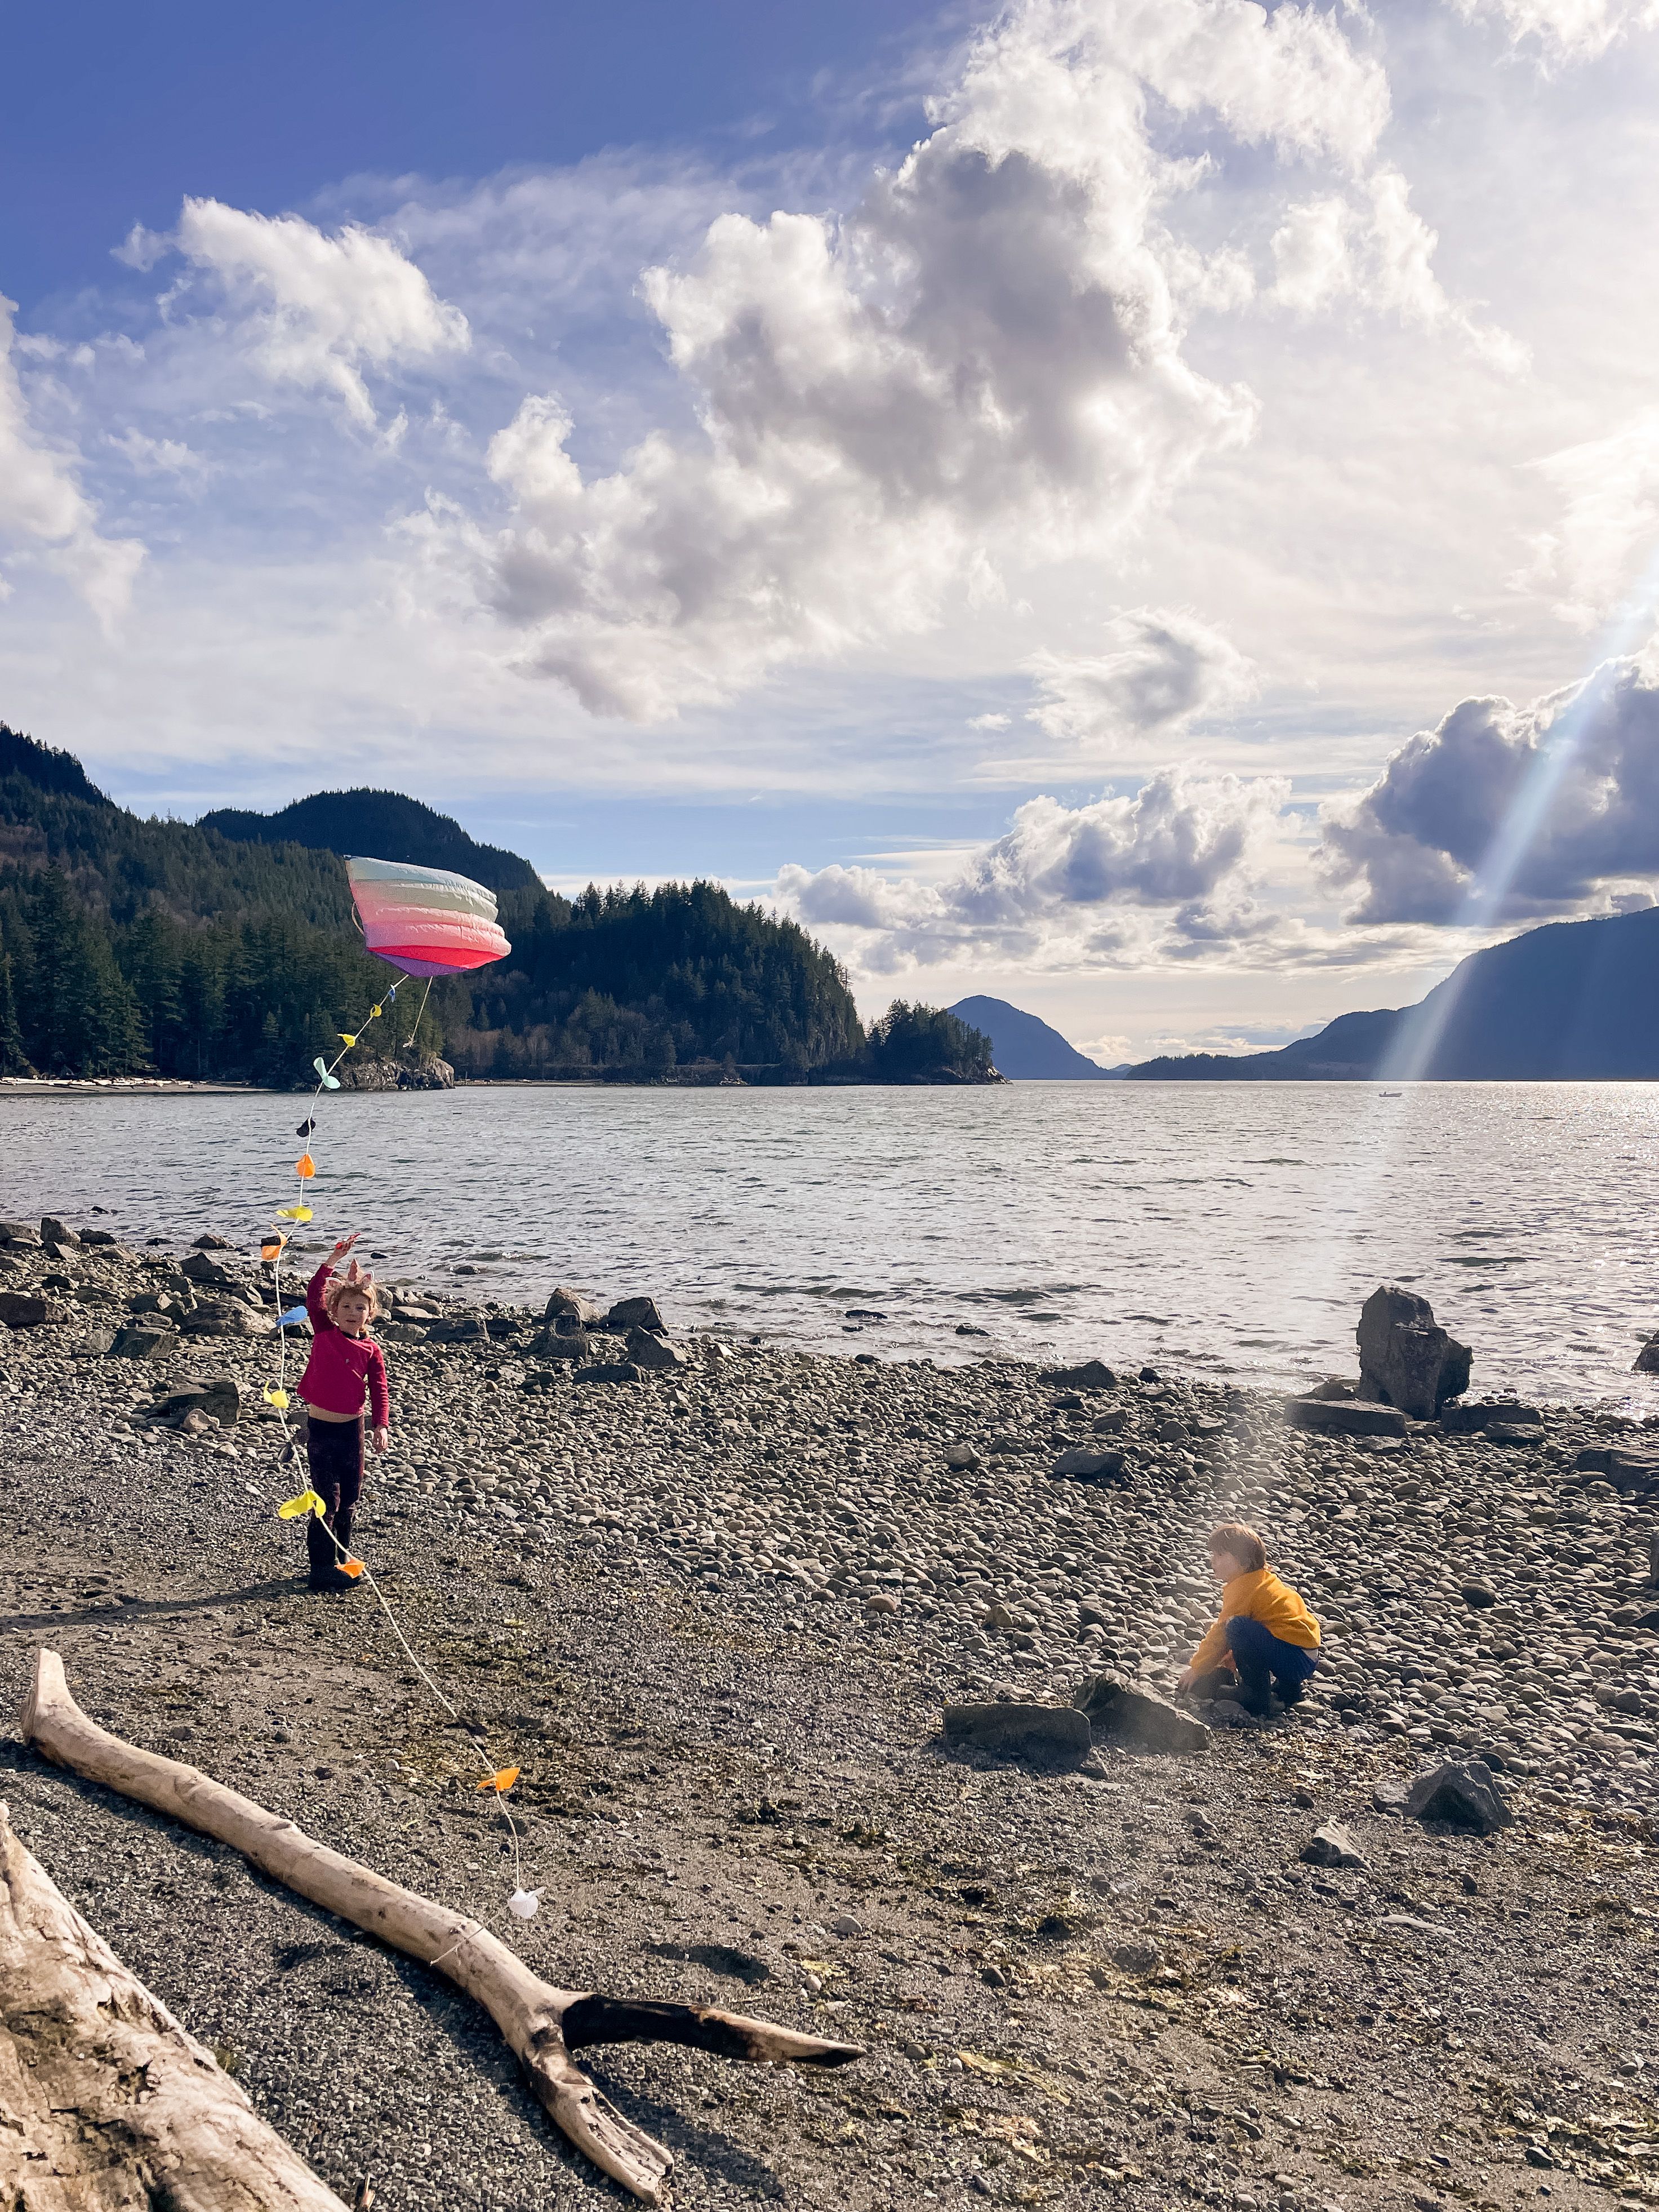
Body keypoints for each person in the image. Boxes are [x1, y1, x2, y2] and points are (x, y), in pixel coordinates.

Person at [297, 1231, 389, 1593]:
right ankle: (320, 1566)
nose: (353, 1314)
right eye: (346, 1308)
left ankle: (342, 1558)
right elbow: (313, 1294)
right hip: (320, 1427)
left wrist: (380, 1425)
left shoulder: (371, 1349)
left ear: (370, 1314)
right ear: (335, 1312)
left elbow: (379, 1391)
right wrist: (332, 1262)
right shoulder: (324, 1332)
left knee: (350, 1495)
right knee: (325, 1498)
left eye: (360, 1308)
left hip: (354, 1430)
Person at [1176, 1521, 1320, 1717]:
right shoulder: (1264, 1580)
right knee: (1253, 1627)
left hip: (1292, 1658)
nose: (1212, 1561)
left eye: (1219, 1555)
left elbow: (1221, 1635)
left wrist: (1198, 1668)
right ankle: (1288, 1691)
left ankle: (1256, 1695)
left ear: (1244, 1563)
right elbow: (1263, 1631)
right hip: (1307, 1656)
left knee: (1235, 1626)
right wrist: (1228, 1661)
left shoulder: (1244, 1588)